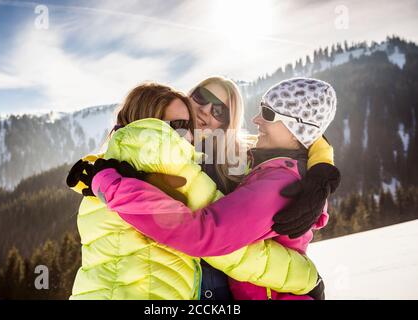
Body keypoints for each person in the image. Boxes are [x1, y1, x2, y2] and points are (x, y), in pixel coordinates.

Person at [84, 77, 340, 299]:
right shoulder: (145, 149)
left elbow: (303, 136)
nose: (206, 110)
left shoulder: (241, 159)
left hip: (220, 284)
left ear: (228, 124)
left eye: (219, 110)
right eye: (201, 97)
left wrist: (320, 172)